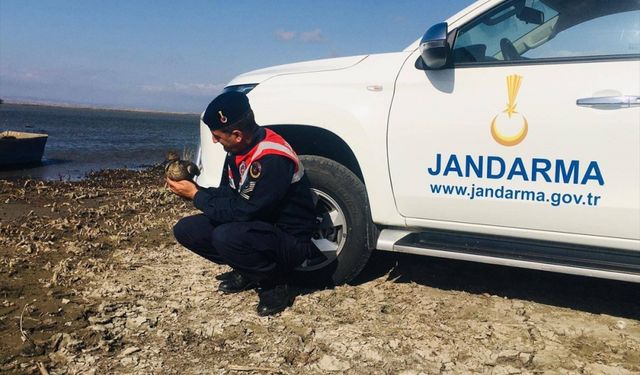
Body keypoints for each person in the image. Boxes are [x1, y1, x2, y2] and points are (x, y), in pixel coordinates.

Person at [167, 91, 321, 316]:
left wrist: (196, 196)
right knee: (187, 230)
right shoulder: (238, 149)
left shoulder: (270, 158)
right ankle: (248, 270)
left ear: (237, 134)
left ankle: (275, 282)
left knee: (226, 236)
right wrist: (195, 190)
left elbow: (243, 211)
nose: (214, 140)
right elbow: (229, 193)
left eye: (217, 136)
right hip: (258, 226)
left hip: (290, 239)